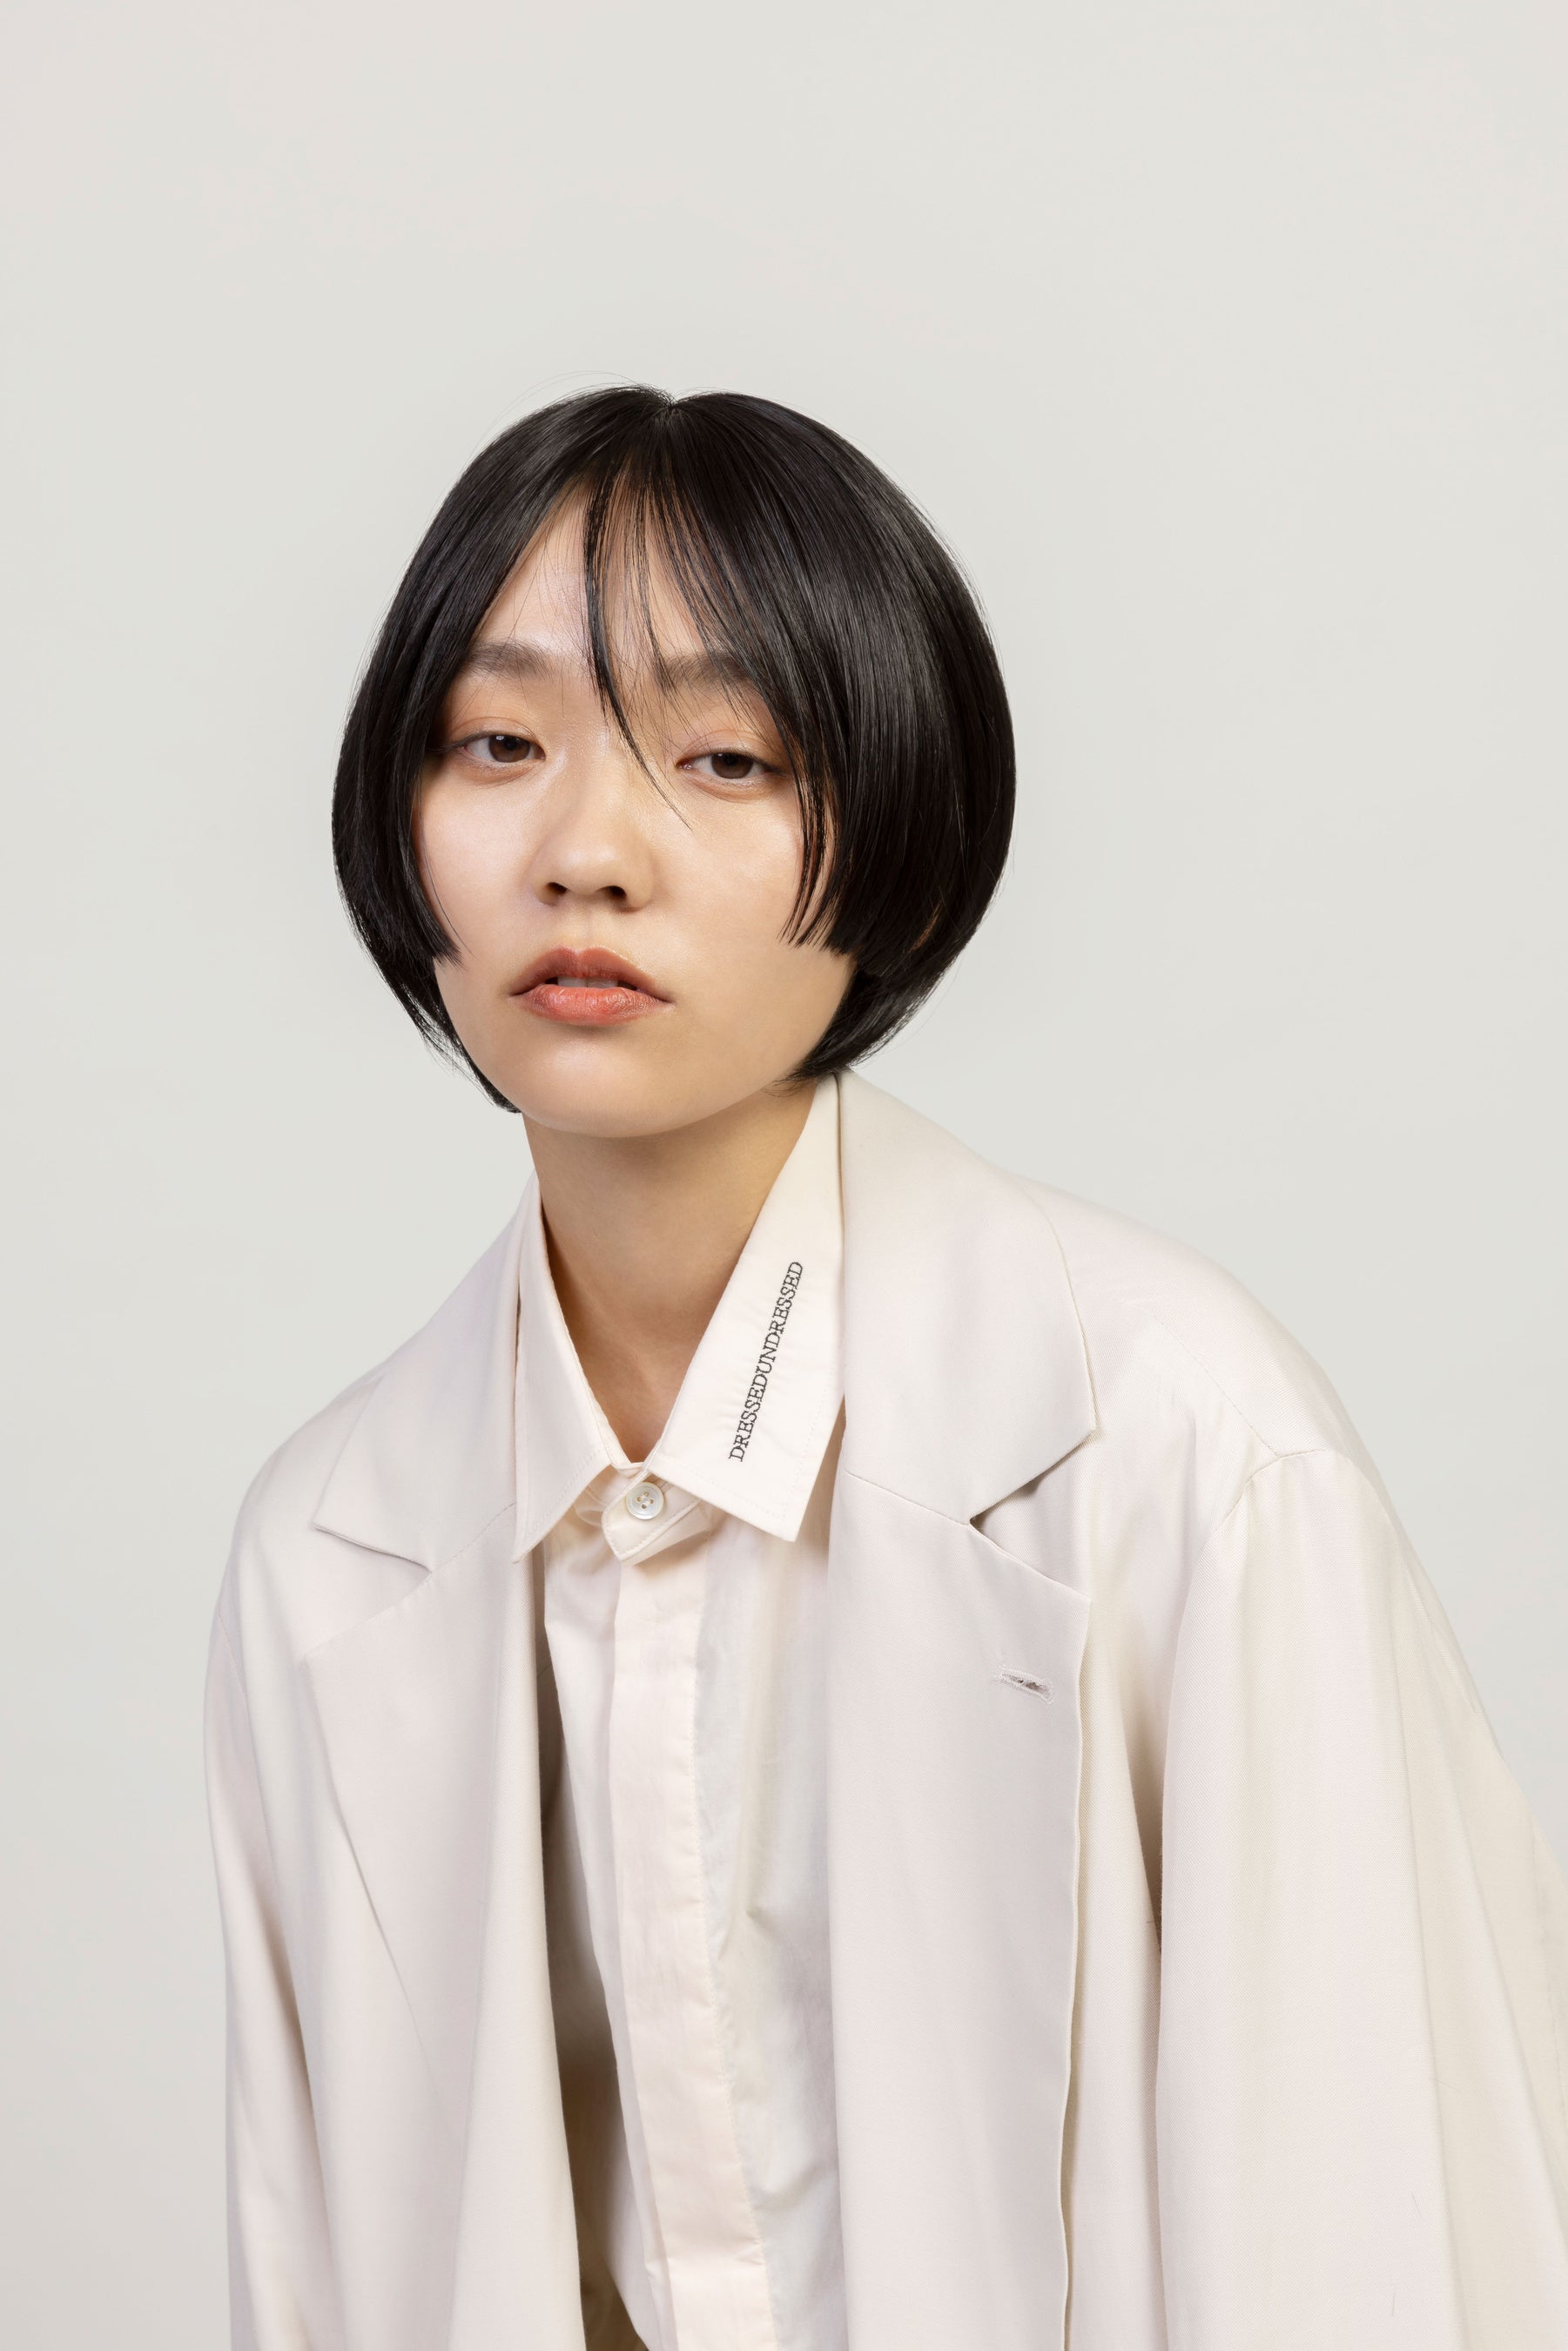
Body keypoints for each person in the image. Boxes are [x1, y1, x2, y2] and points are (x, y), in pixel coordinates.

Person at [204, 385, 1568, 2351]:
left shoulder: (1182, 1452)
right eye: (499, 742)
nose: (586, 850)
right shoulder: (323, 1558)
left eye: (725, 756)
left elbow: (1373, 2261)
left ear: (904, 835)